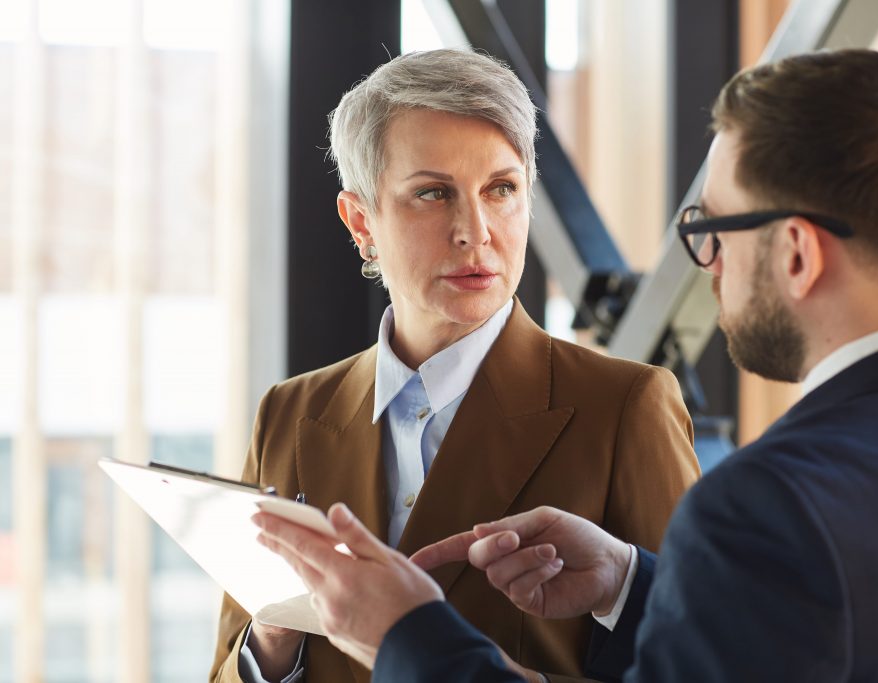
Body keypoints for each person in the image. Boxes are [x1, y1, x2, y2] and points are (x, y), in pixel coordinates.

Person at [253, 47, 878, 682]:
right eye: (431, 194)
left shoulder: (764, 502)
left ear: (794, 251)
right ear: (363, 219)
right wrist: (631, 581)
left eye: (714, 225)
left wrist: (407, 636)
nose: (707, 260)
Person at [209, 48, 700, 683]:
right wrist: (272, 641)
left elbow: (701, 660)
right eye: (433, 193)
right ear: (361, 221)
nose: (476, 230)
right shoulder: (291, 411)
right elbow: (224, 667)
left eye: (501, 189)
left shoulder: (625, 406)